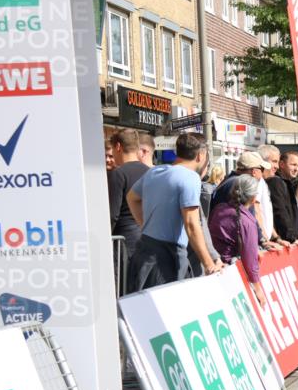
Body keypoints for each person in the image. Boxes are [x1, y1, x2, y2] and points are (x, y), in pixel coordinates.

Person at [125, 133, 222, 292]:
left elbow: (132, 198)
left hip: (145, 252)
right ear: (201, 155)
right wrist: (209, 265)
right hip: (166, 260)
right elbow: (191, 225)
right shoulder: (191, 178)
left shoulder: (154, 172)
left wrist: (145, 225)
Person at [208, 174, 272, 307]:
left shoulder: (219, 209)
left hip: (212, 266)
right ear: (254, 198)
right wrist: (258, 288)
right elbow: (249, 258)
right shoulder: (247, 221)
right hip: (230, 273)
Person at [107, 128, 149, 259]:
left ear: (118, 146)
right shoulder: (150, 172)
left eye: (112, 151)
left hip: (124, 242)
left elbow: (113, 214)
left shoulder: (118, 174)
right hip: (147, 238)